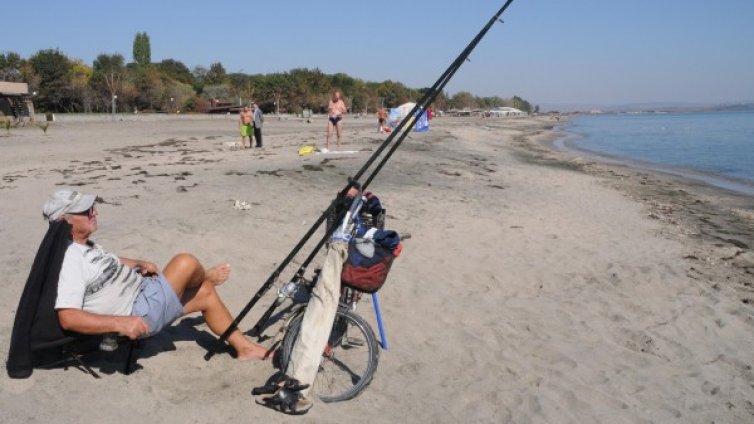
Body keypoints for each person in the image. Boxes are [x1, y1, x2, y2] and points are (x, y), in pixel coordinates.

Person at [43, 189, 267, 360]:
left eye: (92, 207)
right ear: (65, 221)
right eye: (87, 211)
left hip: (143, 293)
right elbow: (68, 317)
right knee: (185, 262)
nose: (95, 212)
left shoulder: (85, 246)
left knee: (205, 293)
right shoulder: (69, 259)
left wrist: (139, 263)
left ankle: (244, 348)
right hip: (136, 313)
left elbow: (109, 262)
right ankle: (206, 275)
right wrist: (121, 325)